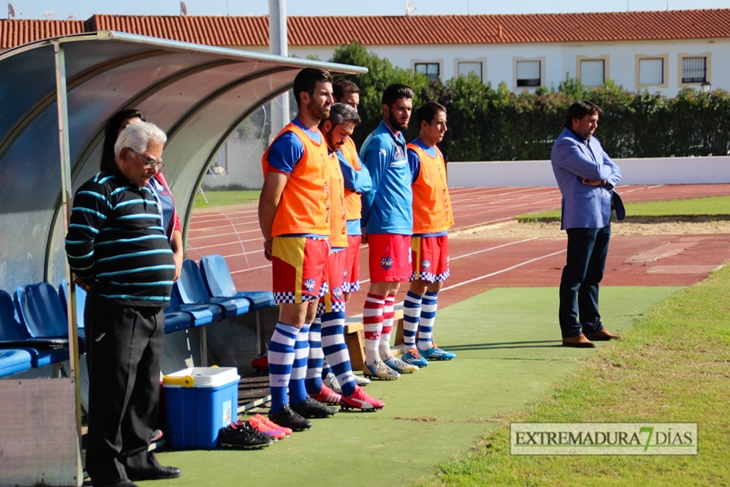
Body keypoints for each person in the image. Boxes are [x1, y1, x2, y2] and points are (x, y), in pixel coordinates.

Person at [66, 122, 180, 487]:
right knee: (112, 391)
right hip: (117, 306)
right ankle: (104, 467)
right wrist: (94, 277)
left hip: (151, 306)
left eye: (159, 163)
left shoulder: (146, 192)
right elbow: (78, 244)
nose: (155, 170)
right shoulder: (99, 191)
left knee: (145, 388)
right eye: (150, 161)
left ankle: (137, 456)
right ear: (124, 154)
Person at [258, 68, 339, 431]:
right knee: (291, 320)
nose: (330, 100)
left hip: (317, 238)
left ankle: (298, 395)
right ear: (304, 97)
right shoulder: (290, 140)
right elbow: (269, 198)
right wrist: (270, 239)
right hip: (296, 240)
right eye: (324, 94)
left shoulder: (319, 139)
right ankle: (279, 404)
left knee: (307, 320)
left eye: (331, 94)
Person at [305, 103, 385, 410]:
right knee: (316, 319)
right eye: (341, 133)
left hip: (338, 242)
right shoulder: (313, 150)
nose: (344, 140)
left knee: (330, 316)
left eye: (348, 135)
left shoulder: (334, 150)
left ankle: (323, 383)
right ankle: (328, 384)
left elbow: (362, 182)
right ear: (327, 125)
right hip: (321, 245)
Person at [359, 84, 419, 379]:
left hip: (401, 226)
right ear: (386, 109)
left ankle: (384, 351)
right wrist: (366, 224)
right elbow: (368, 187)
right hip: (385, 225)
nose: (405, 113)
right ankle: (371, 358)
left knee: (393, 289)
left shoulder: (399, 139)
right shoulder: (381, 142)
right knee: (380, 289)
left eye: (408, 108)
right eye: (400, 108)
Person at [551, 100, 623, 348]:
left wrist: (603, 179)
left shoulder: (593, 142)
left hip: (602, 214)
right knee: (575, 275)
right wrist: (603, 175)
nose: (595, 125)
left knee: (594, 274)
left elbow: (613, 171)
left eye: (596, 121)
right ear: (575, 121)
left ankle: (592, 325)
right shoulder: (564, 146)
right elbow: (598, 170)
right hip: (582, 217)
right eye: (591, 120)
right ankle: (571, 330)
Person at [400, 102, 457, 367]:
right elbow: (404, 193)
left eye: (445, 123)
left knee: (436, 283)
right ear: (424, 125)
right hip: (420, 231)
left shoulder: (437, 152)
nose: (444, 128)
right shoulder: (412, 154)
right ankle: (409, 345)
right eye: (439, 123)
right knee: (420, 284)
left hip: (439, 229)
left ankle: (426, 342)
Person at [100, 109, 184, 282]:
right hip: (132, 281)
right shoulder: (108, 186)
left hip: (162, 273)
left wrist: (178, 254)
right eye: (126, 128)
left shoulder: (158, 178)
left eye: (140, 127)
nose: (134, 132)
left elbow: (173, 217)